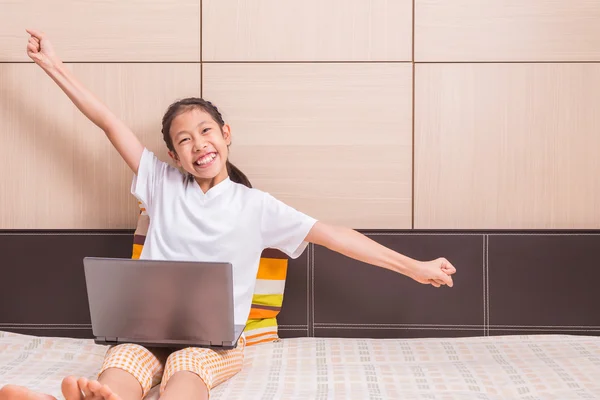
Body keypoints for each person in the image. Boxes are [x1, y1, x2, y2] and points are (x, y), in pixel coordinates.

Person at [0, 29, 457, 400]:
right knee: (124, 362)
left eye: (205, 131)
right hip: (145, 327)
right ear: (173, 156)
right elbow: (106, 122)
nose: (198, 144)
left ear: (226, 135)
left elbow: (336, 236)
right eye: (184, 140)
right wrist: (54, 66)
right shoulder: (160, 184)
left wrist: (414, 267)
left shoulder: (255, 207)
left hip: (214, 342)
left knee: (186, 372)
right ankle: (96, 398)